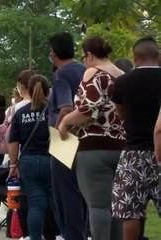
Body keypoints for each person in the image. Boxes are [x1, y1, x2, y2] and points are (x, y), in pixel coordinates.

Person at [59, 36, 125, 240]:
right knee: (116, 207)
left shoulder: (93, 72)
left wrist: (65, 122)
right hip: (121, 146)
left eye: (83, 56)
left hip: (93, 147)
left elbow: (87, 110)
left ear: (89, 55)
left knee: (98, 206)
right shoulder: (122, 74)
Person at [111, 36, 161, 240]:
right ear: (159, 56)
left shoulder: (122, 82)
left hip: (134, 154)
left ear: (135, 57)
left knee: (130, 213)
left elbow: (121, 115)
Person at [9, 74, 60, 240]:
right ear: (47, 90)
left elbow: (13, 143)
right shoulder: (55, 110)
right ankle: (66, 234)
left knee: (35, 205)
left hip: (28, 162)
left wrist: (13, 166)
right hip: (51, 160)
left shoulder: (20, 113)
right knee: (57, 205)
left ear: (28, 90)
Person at [48, 31, 87, 240]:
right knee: (84, 192)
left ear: (53, 53)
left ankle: (73, 235)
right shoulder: (86, 70)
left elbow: (65, 108)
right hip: (86, 138)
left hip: (65, 138)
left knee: (65, 194)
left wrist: (56, 130)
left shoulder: (61, 74)